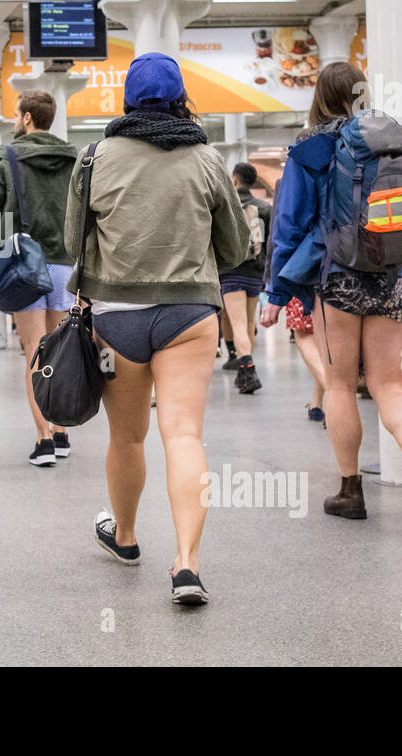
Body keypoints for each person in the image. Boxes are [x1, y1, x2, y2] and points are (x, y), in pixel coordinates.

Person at [66, 53, 249, 605]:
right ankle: (187, 565)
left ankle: (124, 538)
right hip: (189, 315)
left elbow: (74, 242)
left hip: (117, 314)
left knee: (127, 437)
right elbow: (236, 247)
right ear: (179, 99)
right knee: (184, 436)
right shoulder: (208, 158)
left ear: (126, 99)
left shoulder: (95, 158)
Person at [261, 61, 402, 530]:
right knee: (388, 385)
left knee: (340, 384)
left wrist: (277, 291)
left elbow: (290, 225)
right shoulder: (397, 143)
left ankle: (350, 490)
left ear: (319, 96)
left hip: (337, 277)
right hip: (393, 276)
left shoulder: (313, 147)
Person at [0, 90, 80, 466]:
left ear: (26, 118)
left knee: (34, 352)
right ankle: (62, 430)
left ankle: (43, 441)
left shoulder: (5, 158)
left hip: (23, 266)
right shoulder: (76, 159)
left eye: (15, 115)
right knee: (59, 350)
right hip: (65, 266)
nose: (12, 121)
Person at [218, 162, 271, 395]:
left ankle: (248, 369)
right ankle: (244, 368)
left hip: (231, 271)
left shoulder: (228, 206)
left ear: (235, 180)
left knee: (237, 322)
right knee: (249, 323)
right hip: (255, 272)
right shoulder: (263, 208)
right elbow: (268, 241)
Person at [286, 296, 327, 423]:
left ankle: (335, 396)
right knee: (322, 349)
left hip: (303, 286)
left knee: (303, 335)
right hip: (337, 290)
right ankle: (316, 404)